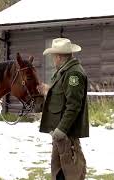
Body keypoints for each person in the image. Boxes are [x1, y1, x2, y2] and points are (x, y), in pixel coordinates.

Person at [39, 38, 89, 180]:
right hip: (60, 132)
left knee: (71, 172)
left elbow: (73, 105)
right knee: (59, 170)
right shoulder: (64, 71)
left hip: (66, 133)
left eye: (54, 57)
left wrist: (61, 130)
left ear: (59, 57)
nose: (53, 60)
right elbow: (64, 95)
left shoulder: (73, 74)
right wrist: (49, 91)